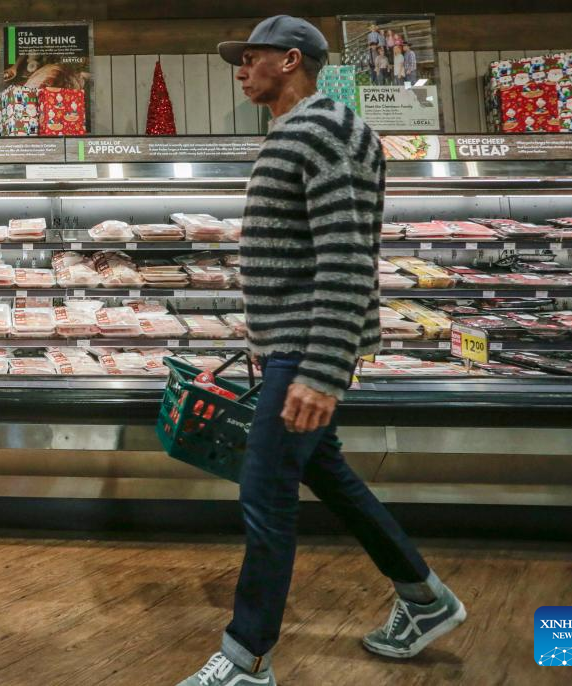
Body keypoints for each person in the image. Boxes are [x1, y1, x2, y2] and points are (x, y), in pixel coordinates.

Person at [178, 15, 467, 686]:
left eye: (250, 57)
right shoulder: (298, 130)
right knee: (327, 474)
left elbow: (346, 256)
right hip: (291, 347)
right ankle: (425, 598)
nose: (240, 70)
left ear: (290, 59)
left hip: (306, 351)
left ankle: (246, 659)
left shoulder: (324, 129)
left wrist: (322, 369)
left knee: (265, 495)